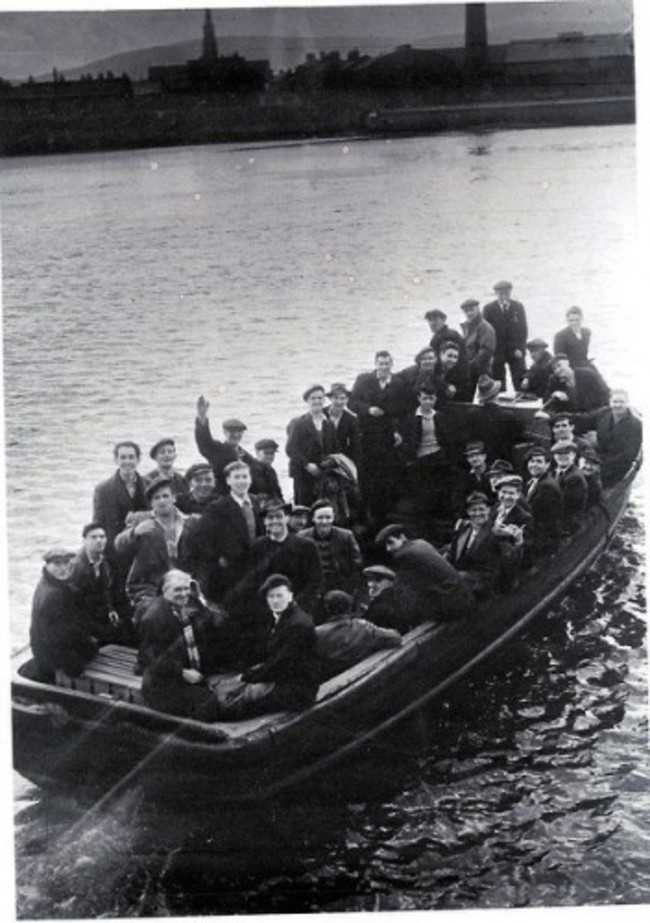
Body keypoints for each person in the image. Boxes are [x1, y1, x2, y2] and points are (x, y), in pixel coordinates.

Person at [214, 574, 320, 718]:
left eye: (279, 596)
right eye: (271, 597)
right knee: (231, 688)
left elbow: (280, 665)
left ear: (290, 596)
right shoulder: (281, 618)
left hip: (297, 691)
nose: (275, 601)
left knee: (232, 707)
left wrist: (245, 677)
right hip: (283, 680)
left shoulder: (298, 625)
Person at [138, 569, 227, 720]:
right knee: (208, 705)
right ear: (165, 590)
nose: (184, 593)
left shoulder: (180, 607)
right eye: (178, 589)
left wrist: (199, 597)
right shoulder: (154, 618)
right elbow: (148, 658)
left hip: (184, 672)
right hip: (162, 684)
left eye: (186, 588)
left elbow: (212, 621)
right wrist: (182, 673)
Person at [115, 477, 196, 622]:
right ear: (151, 503)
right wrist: (134, 532)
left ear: (174, 498)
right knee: (157, 617)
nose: (162, 501)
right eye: (156, 498)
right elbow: (118, 545)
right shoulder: (141, 520)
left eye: (165, 496)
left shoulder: (189, 522)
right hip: (147, 588)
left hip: (182, 586)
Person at [187, 460, 264, 603]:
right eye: (237, 477)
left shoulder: (255, 502)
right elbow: (199, 537)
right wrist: (218, 558)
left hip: (253, 566)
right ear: (228, 481)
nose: (241, 481)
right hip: (230, 570)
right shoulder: (218, 507)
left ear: (250, 479)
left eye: (245, 477)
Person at [349, 350, 408, 525]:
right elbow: (352, 403)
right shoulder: (363, 380)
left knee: (385, 474)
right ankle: (365, 514)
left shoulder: (398, 383)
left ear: (392, 365)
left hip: (387, 435)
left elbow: (402, 411)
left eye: (387, 363)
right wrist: (368, 409)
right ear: (375, 364)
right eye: (380, 363)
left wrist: (397, 431)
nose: (384, 367)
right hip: (366, 435)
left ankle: (383, 514)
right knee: (366, 474)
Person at [376, 524, 473, 625]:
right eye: (385, 546)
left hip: (453, 605)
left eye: (390, 543)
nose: (388, 549)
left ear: (402, 537)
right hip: (463, 595)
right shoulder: (421, 542)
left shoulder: (403, 555)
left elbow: (402, 587)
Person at [29, 549, 99, 683]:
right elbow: (54, 638)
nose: (63, 569)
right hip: (51, 656)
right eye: (57, 564)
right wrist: (72, 666)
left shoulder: (45, 583)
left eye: (66, 563)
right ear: (46, 566)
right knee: (93, 649)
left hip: (42, 648)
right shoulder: (54, 596)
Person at [316, 590, 402, 681]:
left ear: (327, 609)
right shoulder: (363, 626)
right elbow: (396, 637)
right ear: (349, 608)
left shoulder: (317, 634)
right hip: (365, 678)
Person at [571, 389, 642, 487]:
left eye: (621, 402)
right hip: (601, 458)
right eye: (615, 402)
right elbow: (583, 419)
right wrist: (555, 417)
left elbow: (628, 455)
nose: (618, 405)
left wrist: (600, 467)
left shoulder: (635, 425)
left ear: (627, 403)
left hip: (618, 467)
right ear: (610, 402)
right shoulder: (604, 413)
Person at [285, 384, 339, 507]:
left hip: (323, 473)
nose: (316, 401)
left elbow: (335, 449)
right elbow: (291, 448)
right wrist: (307, 465)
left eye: (320, 398)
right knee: (304, 506)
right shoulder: (298, 422)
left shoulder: (328, 423)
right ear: (307, 401)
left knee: (323, 507)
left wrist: (328, 465)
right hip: (303, 473)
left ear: (324, 400)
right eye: (313, 398)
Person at [298, 499, 363, 596]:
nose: (324, 522)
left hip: (339, 586)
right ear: (313, 519)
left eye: (328, 517)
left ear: (333, 518)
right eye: (320, 518)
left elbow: (357, 564)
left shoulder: (346, 536)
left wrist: (348, 589)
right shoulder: (302, 537)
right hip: (312, 587)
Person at [70, 522, 121, 645]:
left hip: (97, 614)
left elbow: (105, 589)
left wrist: (110, 609)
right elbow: (72, 602)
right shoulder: (76, 566)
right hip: (82, 619)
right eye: (93, 537)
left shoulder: (103, 561)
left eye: (102, 537)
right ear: (85, 541)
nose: (99, 541)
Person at [194, 394, 256, 494]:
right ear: (225, 433)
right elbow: (204, 441)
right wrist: (202, 417)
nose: (235, 435)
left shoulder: (245, 456)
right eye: (231, 432)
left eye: (239, 432)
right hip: (221, 495)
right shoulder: (217, 449)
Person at [92, 440, 149, 548]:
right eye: (123, 457)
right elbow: (97, 525)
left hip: (145, 548)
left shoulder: (150, 485)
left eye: (131, 457)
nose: (127, 461)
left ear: (138, 460)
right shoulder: (103, 490)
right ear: (116, 460)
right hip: (116, 550)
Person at [446, 492, 501, 598]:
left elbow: (501, 565)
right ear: (468, 512)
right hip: (460, 579)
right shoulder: (464, 529)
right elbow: (452, 553)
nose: (477, 513)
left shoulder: (495, 531)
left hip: (482, 584)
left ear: (488, 510)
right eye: (473, 510)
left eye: (481, 509)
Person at [482, 280, 528, 390]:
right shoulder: (488, 309)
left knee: (520, 379)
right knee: (498, 381)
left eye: (506, 293)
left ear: (510, 292)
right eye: (500, 293)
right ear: (496, 293)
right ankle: (499, 402)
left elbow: (524, 330)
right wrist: (490, 353)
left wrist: (520, 349)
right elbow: (486, 333)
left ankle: (522, 401)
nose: (504, 296)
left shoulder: (518, 307)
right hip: (497, 351)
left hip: (515, 350)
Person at [468, 374, 525, 463]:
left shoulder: (472, 414)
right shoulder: (508, 415)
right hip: (503, 459)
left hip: (481, 459)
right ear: (497, 394)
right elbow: (519, 434)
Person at [490, 474, 533, 585]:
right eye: (503, 492)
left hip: (506, 565)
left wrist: (519, 540)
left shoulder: (524, 517)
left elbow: (529, 546)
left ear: (518, 495)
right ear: (498, 493)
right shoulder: (495, 508)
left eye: (511, 493)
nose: (506, 496)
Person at [523, 446, 563, 557]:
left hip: (543, 539)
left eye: (538, 462)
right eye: (531, 461)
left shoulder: (547, 487)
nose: (533, 465)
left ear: (547, 465)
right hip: (537, 531)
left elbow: (533, 515)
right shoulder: (534, 481)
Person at [544, 354, 609, 413]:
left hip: (592, 414)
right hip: (570, 418)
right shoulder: (555, 381)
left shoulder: (587, 375)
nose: (557, 370)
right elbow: (545, 402)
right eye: (554, 368)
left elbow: (604, 394)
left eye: (559, 365)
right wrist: (554, 394)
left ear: (567, 363)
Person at [460, 298, 496, 393]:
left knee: (483, 399)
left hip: (482, 372)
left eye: (472, 310)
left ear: (478, 309)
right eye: (466, 311)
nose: (469, 313)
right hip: (470, 370)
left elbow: (486, 351)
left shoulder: (485, 327)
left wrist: (469, 366)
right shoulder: (467, 326)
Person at [551, 441, 587, 535]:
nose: (562, 457)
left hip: (567, 524)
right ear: (554, 456)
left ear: (573, 455)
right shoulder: (555, 472)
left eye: (566, 454)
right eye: (559, 454)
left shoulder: (575, 478)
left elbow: (566, 505)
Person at [324, 382, 362, 469]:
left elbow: (356, 447)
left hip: (342, 461)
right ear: (330, 398)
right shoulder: (321, 414)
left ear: (347, 399)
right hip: (322, 459)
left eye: (342, 398)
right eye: (335, 398)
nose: (339, 402)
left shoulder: (352, 419)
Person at [359, 564, 400, 632]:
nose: (371, 584)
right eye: (369, 580)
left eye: (378, 579)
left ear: (390, 583)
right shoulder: (375, 604)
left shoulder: (386, 602)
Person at [432, 340, 473, 404]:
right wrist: (445, 386)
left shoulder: (459, 372)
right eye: (449, 356)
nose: (452, 360)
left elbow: (465, 390)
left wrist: (455, 390)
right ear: (441, 354)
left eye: (455, 357)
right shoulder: (433, 366)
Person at [553, 306, 592, 370]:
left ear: (582, 319)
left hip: (585, 364)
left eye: (577, 320)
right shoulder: (560, 336)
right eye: (571, 320)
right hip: (569, 368)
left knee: (599, 378)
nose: (574, 323)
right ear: (566, 320)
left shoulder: (586, 332)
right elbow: (559, 359)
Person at [250, 438, 284, 503]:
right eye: (266, 453)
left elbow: (278, 493)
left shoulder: (271, 471)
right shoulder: (250, 471)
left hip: (274, 506)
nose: (270, 456)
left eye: (272, 453)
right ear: (257, 452)